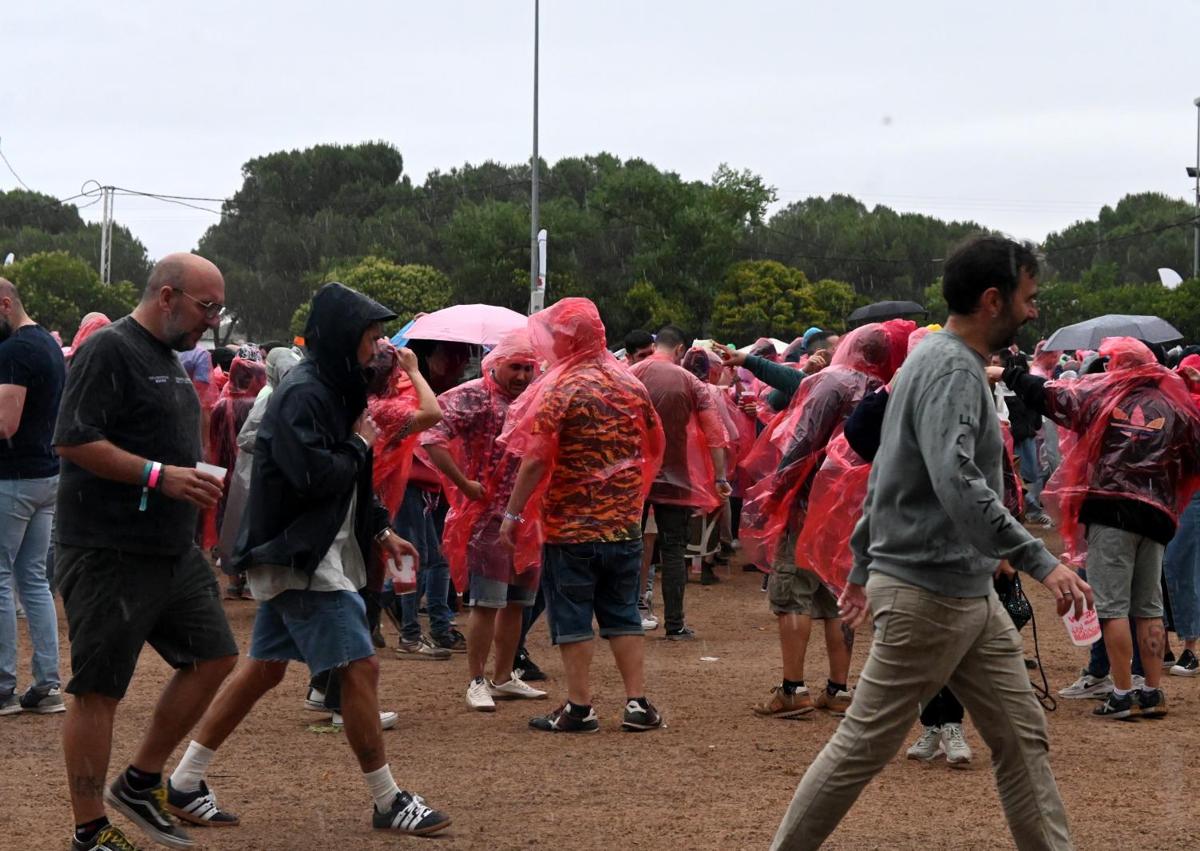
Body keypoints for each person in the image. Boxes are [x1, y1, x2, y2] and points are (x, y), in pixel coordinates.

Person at [770, 235, 1091, 851]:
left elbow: (890, 472)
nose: (1034, 311)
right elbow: (956, 480)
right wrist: (1041, 562)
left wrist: (863, 566)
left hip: (959, 590)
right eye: (1029, 298)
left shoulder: (929, 360)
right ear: (993, 300)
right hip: (931, 593)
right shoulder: (950, 369)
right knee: (861, 745)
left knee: (1022, 739)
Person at [167, 282, 451, 837]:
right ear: (345, 339)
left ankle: (182, 780)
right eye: (372, 338)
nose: (379, 350)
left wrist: (380, 527)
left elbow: (349, 478)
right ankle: (388, 801)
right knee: (361, 668)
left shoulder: (335, 388)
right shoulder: (307, 392)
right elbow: (313, 475)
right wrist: (361, 446)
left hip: (309, 550)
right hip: (301, 554)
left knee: (265, 670)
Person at [54, 254, 239, 851]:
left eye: (217, 309)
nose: (212, 322)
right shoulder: (109, 347)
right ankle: (90, 830)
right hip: (107, 548)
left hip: (169, 548)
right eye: (206, 307)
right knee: (99, 689)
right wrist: (160, 476)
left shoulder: (167, 356)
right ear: (167, 296)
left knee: (214, 655)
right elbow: (73, 438)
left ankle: (139, 781)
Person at [1001, 336, 1200, 718]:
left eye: (1111, 362)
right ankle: (1151, 690)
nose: (1105, 369)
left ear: (1121, 365)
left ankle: (1122, 693)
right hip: (1156, 516)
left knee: (1112, 609)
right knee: (1148, 609)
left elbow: (1052, 396)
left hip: (1112, 512)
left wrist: (1012, 373)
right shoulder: (1176, 406)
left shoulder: (1103, 397)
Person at [498, 297, 666, 733]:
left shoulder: (561, 387)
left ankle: (580, 707)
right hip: (623, 525)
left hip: (570, 527)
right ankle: (637, 704)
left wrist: (512, 516)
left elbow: (534, 460)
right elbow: (652, 442)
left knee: (572, 617)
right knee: (623, 613)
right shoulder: (631, 384)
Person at [744, 322, 909, 721]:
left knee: (792, 592)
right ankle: (838, 688)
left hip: (809, 500)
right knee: (838, 595)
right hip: (853, 506)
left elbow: (803, 439)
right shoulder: (886, 387)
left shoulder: (833, 380)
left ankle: (793, 689)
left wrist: (778, 489)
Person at [421, 330, 548, 711]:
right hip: (489, 516)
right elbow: (430, 434)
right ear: (496, 364)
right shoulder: (472, 395)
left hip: (528, 516)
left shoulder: (535, 397)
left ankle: (504, 675)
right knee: (487, 602)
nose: (523, 376)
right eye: (516, 368)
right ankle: (476, 679)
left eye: (529, 368)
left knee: (517, 602)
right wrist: (462, 483)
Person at [630, 325, 730, 637]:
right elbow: (715, 432)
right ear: (680, 349)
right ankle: (675, 624)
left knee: (628, 545)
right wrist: (720, 477)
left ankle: (624, 619)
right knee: (673, 550)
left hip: (632, 474)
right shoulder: (689, 381)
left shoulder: (629, 374)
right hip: (676, 477)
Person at [0, 278, 67, 717]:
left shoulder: (13, 352)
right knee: (34, 581)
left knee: (1, 579)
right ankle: (47, 684)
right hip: (46, 475)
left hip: (14, 479)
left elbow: (5, 423)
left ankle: (2, 686)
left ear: (4, 305)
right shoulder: (47, 344)